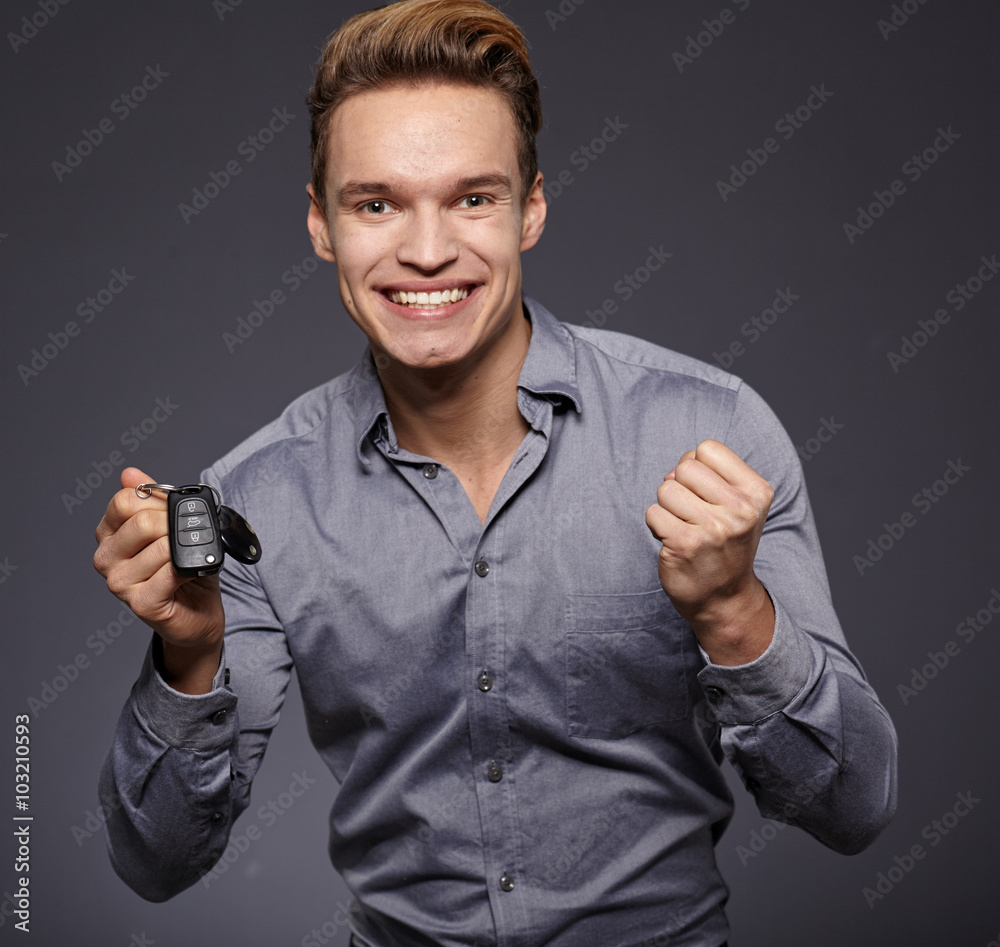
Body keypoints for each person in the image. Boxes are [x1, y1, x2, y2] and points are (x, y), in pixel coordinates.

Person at [93, 2, 898, 945]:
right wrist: (188, 656)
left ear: (532, 209)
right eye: (377, 203)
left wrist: (736, 614)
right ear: (321, 225)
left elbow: (855, 807)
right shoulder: (258, 500)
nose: (427, 251)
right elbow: (155, 861)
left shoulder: (709, 430)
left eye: (472, 197)